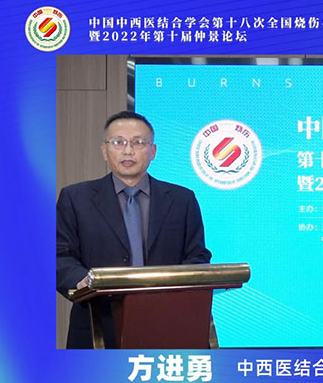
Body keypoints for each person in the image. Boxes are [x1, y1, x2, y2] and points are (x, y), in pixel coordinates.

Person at [56, 111, 212, 349]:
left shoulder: (182, 199)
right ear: (104, 150)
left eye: (138, 142)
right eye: (118, 142)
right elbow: (60, 255)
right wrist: (84, 280)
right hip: (97, 322)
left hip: (168, 323)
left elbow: (197, 256)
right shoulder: (76, 198)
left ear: (153, 151)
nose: (128, 151)